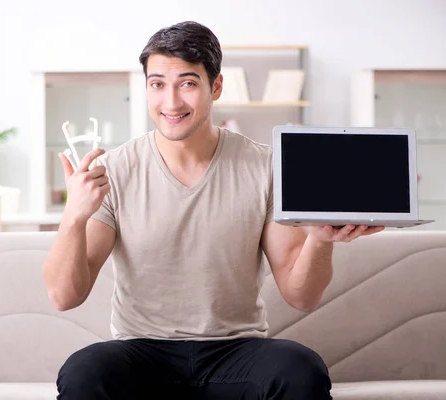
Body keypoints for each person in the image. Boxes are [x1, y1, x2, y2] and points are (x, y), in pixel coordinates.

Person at [43, 20, 384, 400]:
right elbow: (63, 296)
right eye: (157, 84)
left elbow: (300, 296)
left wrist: (320, 240)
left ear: (215, 87)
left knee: (301, 369)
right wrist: (74, 216)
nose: (171, 102)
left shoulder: (265, 167)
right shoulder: (114, 171)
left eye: (187, 84)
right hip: (144, 352)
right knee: (82, 372)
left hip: (235, 352)